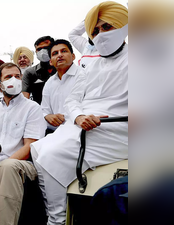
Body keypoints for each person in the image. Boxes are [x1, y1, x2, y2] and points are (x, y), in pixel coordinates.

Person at [30, 1, 128, 224]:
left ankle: (56, 220)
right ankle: (57, 213)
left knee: (50, 154)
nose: (100, 34)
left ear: (124, 26)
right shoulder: (89, 60)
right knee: (37, 150)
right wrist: (79, 116)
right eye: (95, 30)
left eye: (107, 27)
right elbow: (73, 99)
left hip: (117, 127)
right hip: (81, 124)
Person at [0, 62, 46, 225]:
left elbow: (29, 146)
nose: (14, 80)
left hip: (24, 165)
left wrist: (0, 165)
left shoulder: (32, 108)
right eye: (9, 77)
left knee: (8, 167)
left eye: (17, 76)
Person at [41, 39, 83, 135]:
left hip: (79, 130)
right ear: (51, 61)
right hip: (54, 132)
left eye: (64, 51)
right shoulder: (50, 82)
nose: (60, 55)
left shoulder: (83, 75)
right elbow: (44, 110)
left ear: (73, 56)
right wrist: (47, 116)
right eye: (55, 53)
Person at [22, 36, 57, 104]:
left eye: (46, 48)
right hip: (40, 112)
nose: (42, 52)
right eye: (39, 49)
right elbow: (24, 98)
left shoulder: (63, 69)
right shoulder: (30, 73)